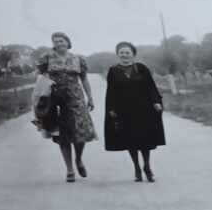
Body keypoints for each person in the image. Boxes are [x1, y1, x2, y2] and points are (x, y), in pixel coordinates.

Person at [36, 32, 97, 183]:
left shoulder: (78, 59)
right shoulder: (47, 58)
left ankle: (79, 160)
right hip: (55, 99)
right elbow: (39, 76)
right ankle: (69, 169)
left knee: (80, 131)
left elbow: (84, 79)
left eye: (61, 41)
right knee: (61, 135)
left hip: (75, 99)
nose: (59, 43)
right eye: (55, 41)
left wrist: (90, 97)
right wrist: (41, 94)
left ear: (67, 42)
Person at [104, 42, 165, 182]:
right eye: (121, 52)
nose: (124, 55)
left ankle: (147, 167)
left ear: (133, 54)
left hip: (144, 109)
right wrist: (111, 108)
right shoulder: (113, 70)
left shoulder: (141, 68)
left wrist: (156, 101)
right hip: (124, 110)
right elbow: (111, 91)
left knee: (145, 140)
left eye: (127, 52)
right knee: (130, 140)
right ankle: (137, 167)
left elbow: (151, 86)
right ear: (118, 54)